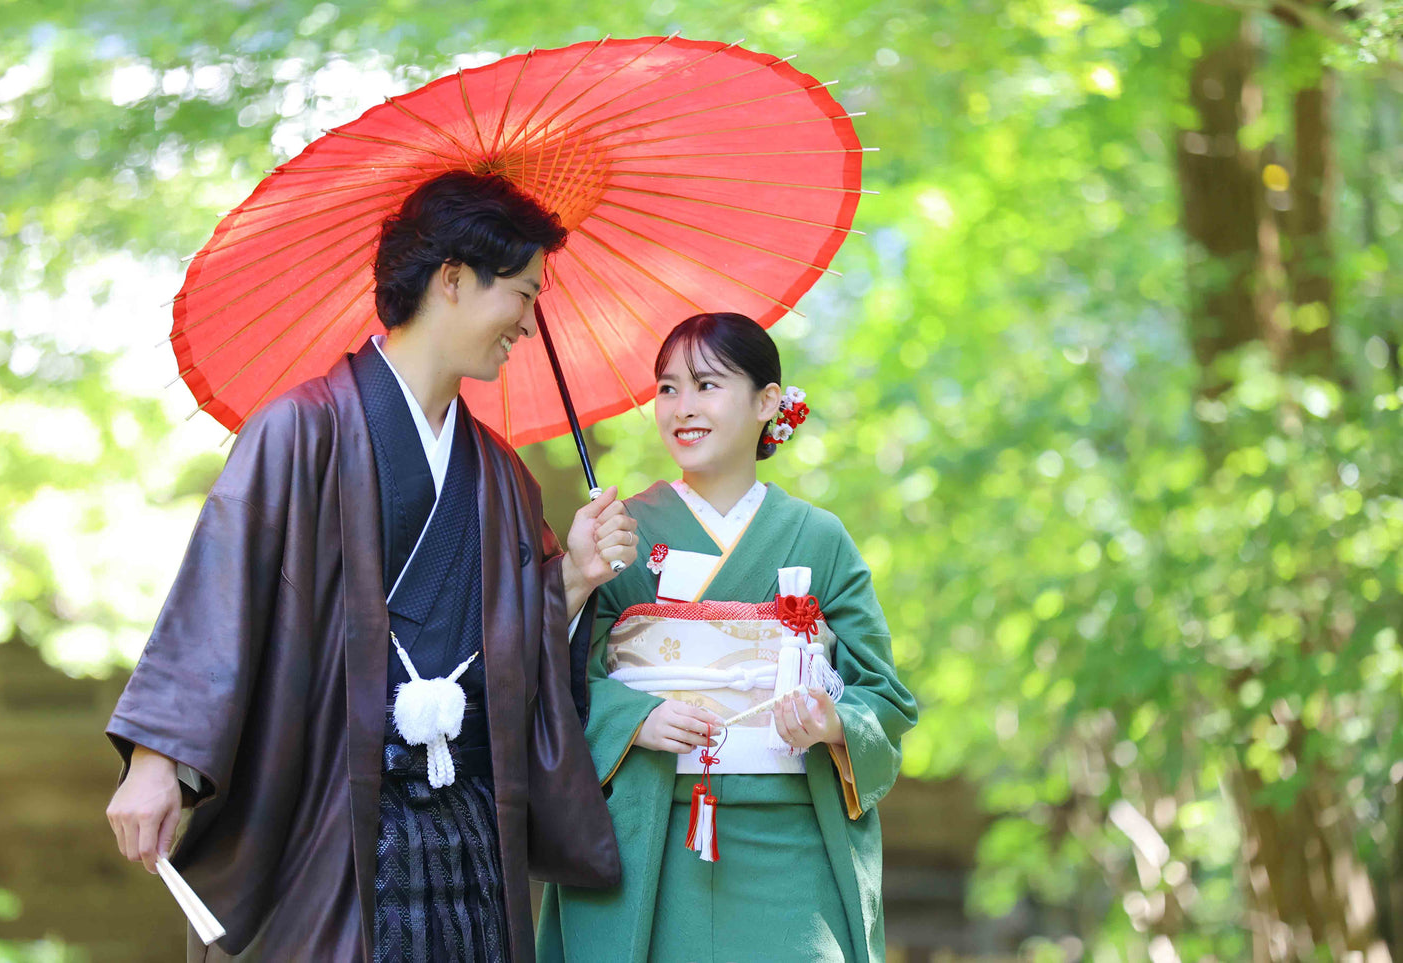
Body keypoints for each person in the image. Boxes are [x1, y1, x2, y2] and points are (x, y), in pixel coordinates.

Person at [105, 171, 636, 963]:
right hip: (328, 809)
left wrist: (575, 577)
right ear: (451, 279)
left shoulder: (499, 474)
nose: (527, 323)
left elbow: (507, 641)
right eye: (521, 294)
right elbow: (222, 595)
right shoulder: (300, 431)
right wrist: (156, 762)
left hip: (466, 826)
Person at [536, 312, 918, 963]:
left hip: (790, 838)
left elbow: (883, 694)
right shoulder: (620, 535)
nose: (681, 407)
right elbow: (556, 679)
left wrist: (831, 720)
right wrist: (636, 717)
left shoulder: (818, 538)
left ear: (767, 400)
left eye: (706, 385)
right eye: (666, 388)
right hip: (646, 835)